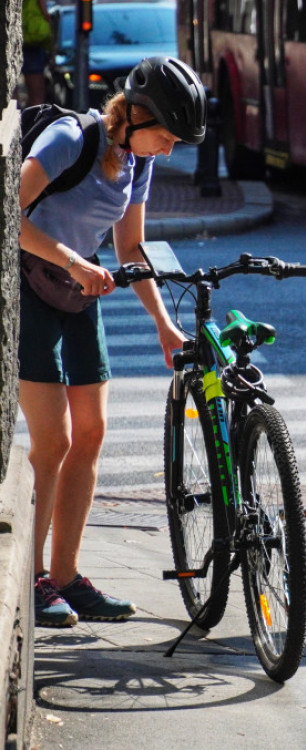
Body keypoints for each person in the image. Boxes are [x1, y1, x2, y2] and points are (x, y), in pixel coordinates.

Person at [21, 56, 207, 627]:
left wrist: (162, 324)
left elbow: (131, 251)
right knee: (53, 442)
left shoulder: (135, 160)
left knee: (92, 435)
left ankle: (67, 575)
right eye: (168, 137)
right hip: (31, 287)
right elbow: (8, 211)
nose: (169, 150)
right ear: (136, 115)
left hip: (79, 293)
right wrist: (74, 260)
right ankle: (28, 579)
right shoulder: (67, 138)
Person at [21, 0, 52, 107]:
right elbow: (43, 8)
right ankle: (33, 120)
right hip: (32, 36)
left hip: (10, 34)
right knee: (37, 92)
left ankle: (10, 117)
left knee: (10, 91)